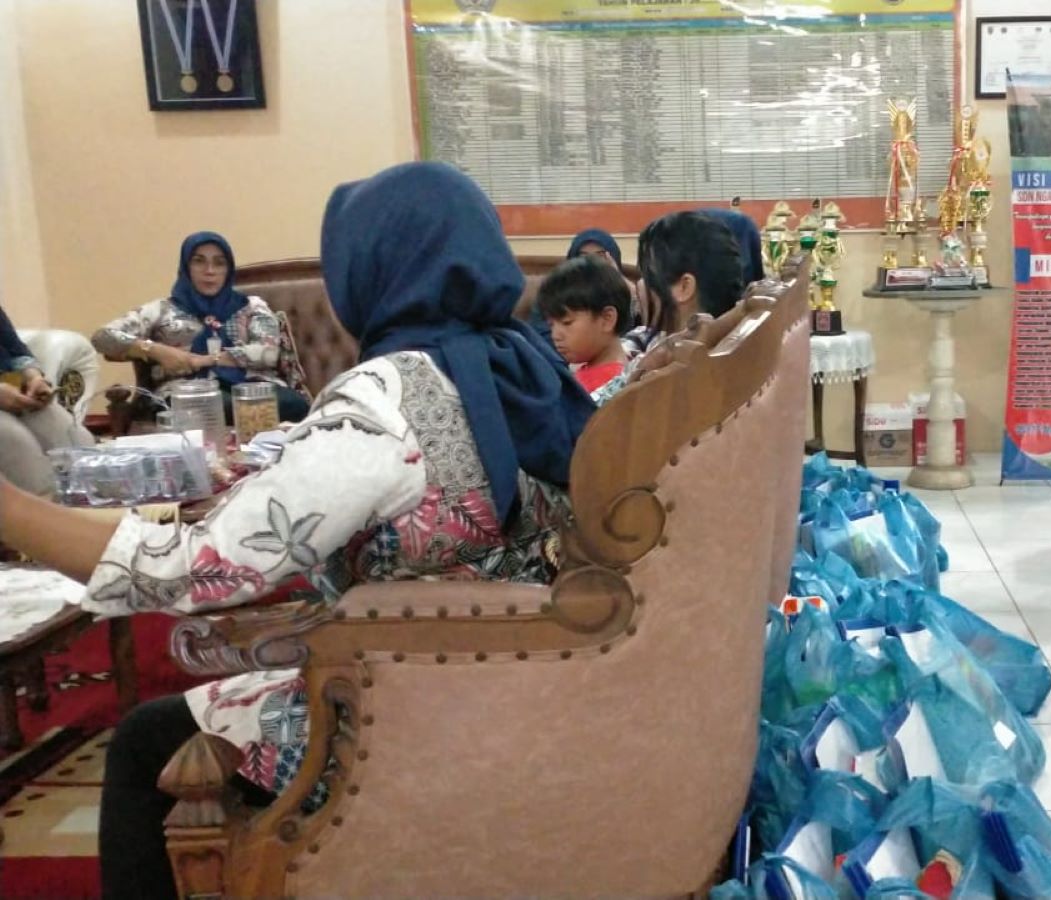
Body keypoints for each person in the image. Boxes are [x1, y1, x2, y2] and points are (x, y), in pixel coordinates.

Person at [0, 162, 595, 900]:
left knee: (146, 740)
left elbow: (195, 569)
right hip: (529, 677)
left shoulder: (387, 398)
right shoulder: (529, 363)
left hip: (413, 710)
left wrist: (14, 510)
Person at [91, 232, 312, 425]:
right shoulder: (162, 309)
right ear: (186, 267)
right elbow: (102, 337)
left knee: (293, 404)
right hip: (188, 393)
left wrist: (201, 360)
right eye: (199, 261)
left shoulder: (251, 306)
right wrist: (157, 351)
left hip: (251, 387)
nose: (210, 271)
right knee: (205, 408)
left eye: (219, 263)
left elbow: (267, 352)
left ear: (228, 270)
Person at [591, 210, 748, 407]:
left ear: (684, 287)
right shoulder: (734, 347)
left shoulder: (664, 370)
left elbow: (586, 415)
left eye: (648, 276)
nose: (640, 285)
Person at [0, 304, 93, 494]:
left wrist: (34, 378)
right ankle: (42, 509)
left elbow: (16, 350)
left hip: (13, 389)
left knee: (77, 440)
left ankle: (98, 507)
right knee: (19, 447)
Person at [536, 254, 633, 392]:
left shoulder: (610, 386)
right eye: (551, 325)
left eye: (567, 323)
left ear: (607, 319)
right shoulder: (594, 369)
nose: (555, 335)